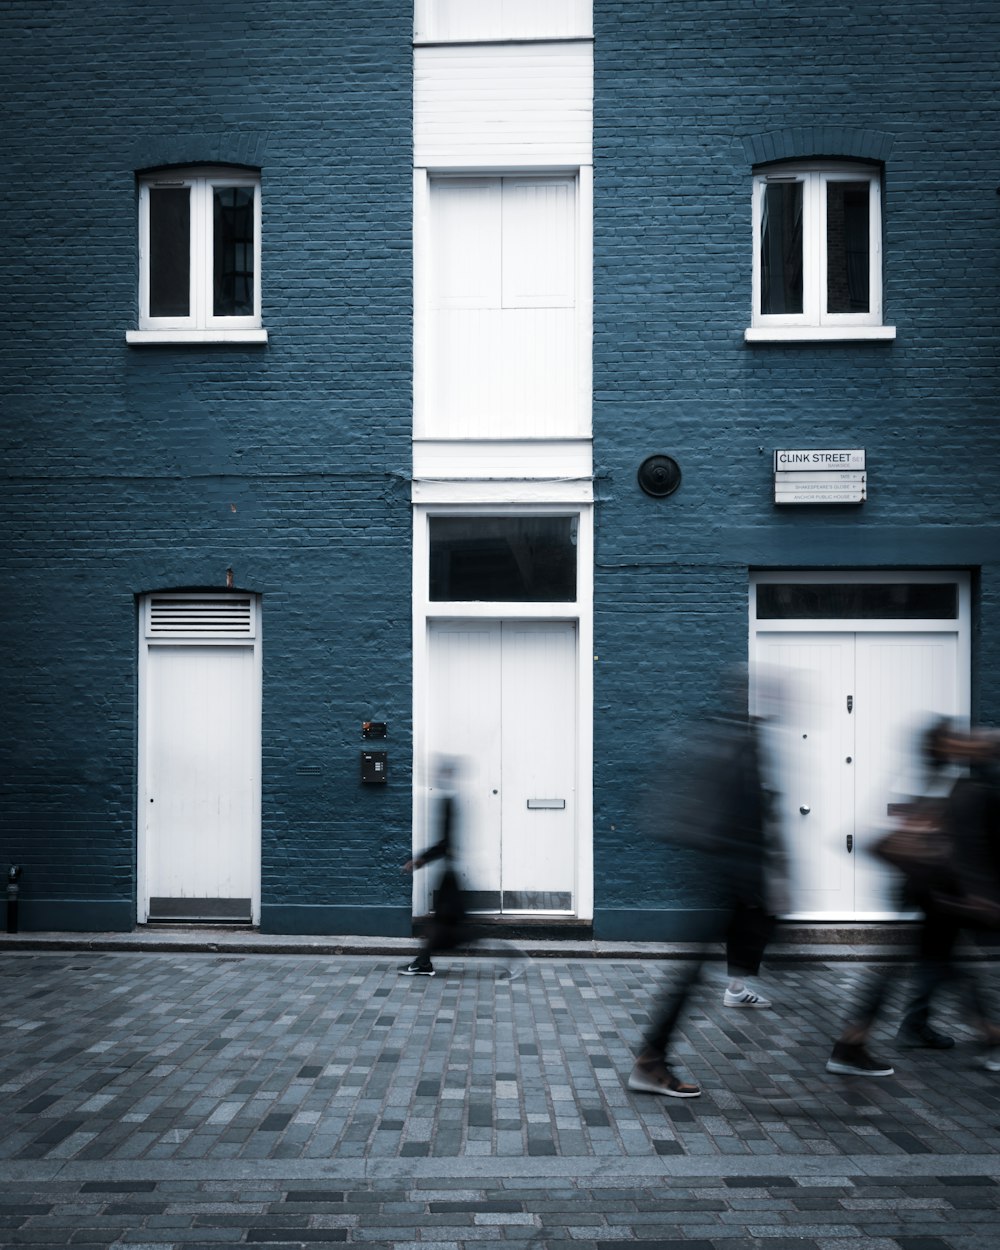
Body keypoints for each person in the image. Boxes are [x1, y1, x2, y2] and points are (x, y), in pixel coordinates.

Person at [628, 669, 787, 1098]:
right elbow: (744, 820)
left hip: (722, 877)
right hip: (729, 878)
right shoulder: (741, 746)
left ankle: (653, 1057)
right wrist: (767, 874)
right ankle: (651, 1061)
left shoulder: (721, 739)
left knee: (697, 972)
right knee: (695, 973)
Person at [826, 718, 1000, 1077]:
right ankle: (850, 1045)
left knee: (946, 966)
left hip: (935, 894)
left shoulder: (950, 777)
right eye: (956, 737)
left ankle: (852, 1044)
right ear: (944, 745)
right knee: (930, 967)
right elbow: (961, 846)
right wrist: (979, 895)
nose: (967, 739)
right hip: (937, 893)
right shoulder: (952, 782)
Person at [399, 757, 525, 980]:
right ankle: (423, 962)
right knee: (442, 924)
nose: (436, 776)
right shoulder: (451, 800)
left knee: (459, 930)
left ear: (448, 775)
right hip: (450, 874)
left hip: (450, 876)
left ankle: (511, 956)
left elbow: (445, 843)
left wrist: (419, 860)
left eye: (441, 772)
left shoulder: (449, 802)